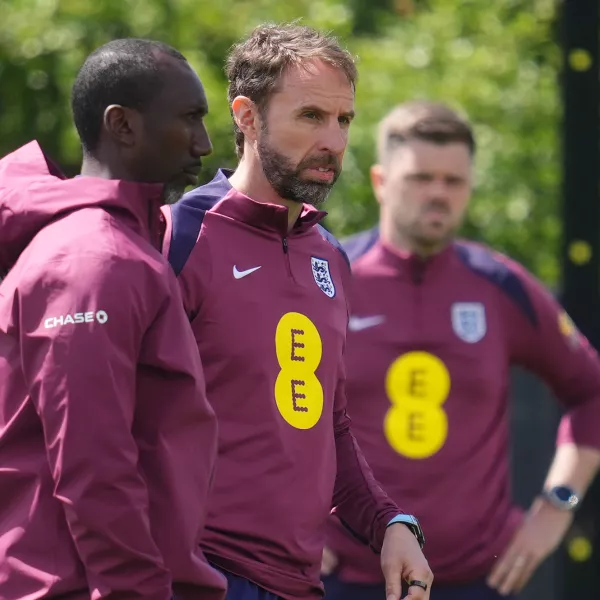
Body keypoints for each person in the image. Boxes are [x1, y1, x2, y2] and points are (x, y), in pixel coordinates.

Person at [162, 23, 432, 600]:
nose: (333, 141)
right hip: (198, 574)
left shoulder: (330, 257)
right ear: (247, 116)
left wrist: (389, 524)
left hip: (299, 585)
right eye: (311, 116)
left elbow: (326, 423)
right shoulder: (179, 236)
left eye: (344, 121)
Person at [321, 100, 600, 599]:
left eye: (453, 182)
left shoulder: (501, 285)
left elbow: (591, 391)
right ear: (381, 181)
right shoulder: (329, 278)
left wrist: (556, 507)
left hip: (478, 580)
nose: (438, 195)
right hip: (351, 581)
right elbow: (255, 402)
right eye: (421, 178)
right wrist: (292, 519)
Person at [0, 39, 226, 600]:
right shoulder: (94, 260)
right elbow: (92, 461)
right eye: (190, 118)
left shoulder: (123, 247)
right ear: (122, 125)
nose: (205, 142)